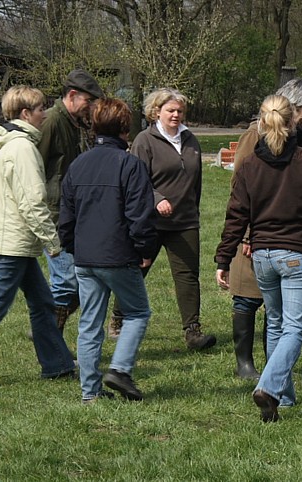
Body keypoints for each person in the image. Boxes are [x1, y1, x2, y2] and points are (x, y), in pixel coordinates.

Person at [215, 94, 302, 422]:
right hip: (295, 254)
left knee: (275, 323)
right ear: (292, 122)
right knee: (294, 328)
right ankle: (269, 387)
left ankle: (283, 398)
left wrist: (223, 259)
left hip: (262, 256)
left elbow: (236, 215)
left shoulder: (249, 165)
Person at [0, 85, 76, 379]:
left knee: (43, 304)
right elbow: (32, 202)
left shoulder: (2, 143)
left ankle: (58, 366)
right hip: (13, 242)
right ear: (26, 113)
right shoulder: (22, 148)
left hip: (12, 240)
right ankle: (59, 365)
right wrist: (52, 242)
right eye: (41, 108)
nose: (45, 113)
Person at [58, 98, 157, 403]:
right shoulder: (130, 165)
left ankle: (90, 392)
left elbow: (67, 215)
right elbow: (140, 214)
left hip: (85, 257)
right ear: (125, 129)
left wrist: (74, 248)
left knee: (90, 323)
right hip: (118, 255)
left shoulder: (78, 164)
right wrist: (144, 249)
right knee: (138, 312)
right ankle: (120, 369)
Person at [229, 78, 302, 380]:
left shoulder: (300, 138)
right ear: (293, 108)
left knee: (278, 308)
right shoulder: (253, 135)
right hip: (256, 233)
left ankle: (275, 369)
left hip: (286, 234)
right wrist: (245, 236)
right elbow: (239, 189)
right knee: (247, 296)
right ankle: (245, 363)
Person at [111, 88, 215, 350]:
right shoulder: (145, 141)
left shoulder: (190, 139)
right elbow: (137, 181)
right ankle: (118, 318)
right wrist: (157, 200)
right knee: (136, 271)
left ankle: (193, 331)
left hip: (185, 221)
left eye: (180, 110)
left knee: (188, 276)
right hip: (151, 221)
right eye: (171, 110)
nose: (176, 115)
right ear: (156, 112)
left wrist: (192, 208)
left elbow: (196, 181)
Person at [38, 69, 104, 336]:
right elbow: (35, 169)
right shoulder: (52, 121)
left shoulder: (74, 123)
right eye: (88, 101)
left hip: (72, 213)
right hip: (53, 214)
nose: (90, 107)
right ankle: (49, 340)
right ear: (73, 95)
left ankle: (46, 331)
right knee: (68, 283)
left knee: (78, 282)